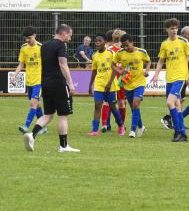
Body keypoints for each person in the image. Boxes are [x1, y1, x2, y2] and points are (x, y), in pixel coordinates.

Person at [23, 24, 79, 152]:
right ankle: (64, 146)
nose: (70, 38)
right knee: (63, 115)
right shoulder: (61, 45)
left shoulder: (45, 46)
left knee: (48, 114)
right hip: (59, 84)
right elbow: (63, 64)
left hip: (45, 83)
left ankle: (32, 135)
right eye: (70, 35)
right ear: (64, 33)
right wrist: (70, 83)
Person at [151, 18, 189, 142]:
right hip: (169, 79)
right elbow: (161, 61)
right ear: (167, 30)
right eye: (172, 28)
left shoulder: (183, 41)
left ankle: (177, 132)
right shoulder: (165, 44)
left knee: (170, 103)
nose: (175, 30)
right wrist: (156, 75)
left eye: (176, 28)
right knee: (177, 105)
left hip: (180, 78)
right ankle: (183, 134)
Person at [108, 34, 152, 138]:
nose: (126, 48)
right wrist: (120, 71)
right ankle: (141, 126)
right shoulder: (120, 53)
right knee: (133, 107)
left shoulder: (142, 52)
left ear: (132, 42)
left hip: (140, 82)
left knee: (136, 104)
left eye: (127, 45)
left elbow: (149, 61)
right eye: (124, 46)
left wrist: (147, 70)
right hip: (127, 83)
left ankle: (132, 130)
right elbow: (113, 64)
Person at [87, 35, 125, 136]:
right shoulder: (94, 55)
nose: (97, 43)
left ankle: (121, 125)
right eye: (96, 41)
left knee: (112, 107)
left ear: (104, 42)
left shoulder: (111, 53)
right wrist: (90, 85)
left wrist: (109, 82)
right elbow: (94, 71)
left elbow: (114, 69)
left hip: (111, 84)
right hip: (99, 84)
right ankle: (95, 130)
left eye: (100, 41)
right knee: (97, 106)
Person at [12, 26, 46, 134]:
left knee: (33, 103)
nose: (27, 40)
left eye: (29, 38)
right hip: (29, 81)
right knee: (37, 105)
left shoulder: (41, 48)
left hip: (39, 81)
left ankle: (26, 126)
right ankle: (43, 127)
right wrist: (14, 75)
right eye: (26, 38)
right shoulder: (24, 48)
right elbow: (21, 64)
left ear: (35, 35)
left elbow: (47, 64)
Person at [101, 29, 127, 132]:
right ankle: (114, 125)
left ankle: (114, 125)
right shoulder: (111, 50)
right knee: (116, 102)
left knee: (112, 102)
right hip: (114, 80)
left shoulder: (122, 50)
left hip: (118, 80)